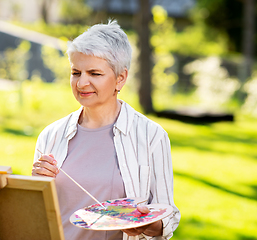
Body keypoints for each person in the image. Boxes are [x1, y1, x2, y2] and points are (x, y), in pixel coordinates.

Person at [31, 20, 180, 240]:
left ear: (120, 78)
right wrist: (36, 185)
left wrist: (143, 224)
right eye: (76, 72)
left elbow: (167, 221)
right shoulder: (51, 135)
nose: (82, 83)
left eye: (95, 73)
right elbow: (37, 213)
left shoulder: (151, 136)